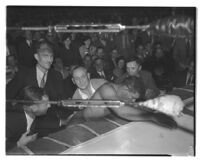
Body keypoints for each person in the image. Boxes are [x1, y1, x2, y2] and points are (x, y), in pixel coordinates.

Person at [71, 66, 177, 128]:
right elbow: (122, 111)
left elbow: (130, 105)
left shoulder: (105, 85)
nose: (81, 80)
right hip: (82, 122)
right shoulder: (106, 89)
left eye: (83, 76)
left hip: (99, 123)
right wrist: (152, 117)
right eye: (77, 78)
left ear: (88, 76)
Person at [6, 86, 69, 152]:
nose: (49, 106)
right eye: (46, 104)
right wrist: (18, 144)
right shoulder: (11, 121)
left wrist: (63, 122)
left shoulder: (30, 111)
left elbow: (39, 123)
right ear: (33, 108)